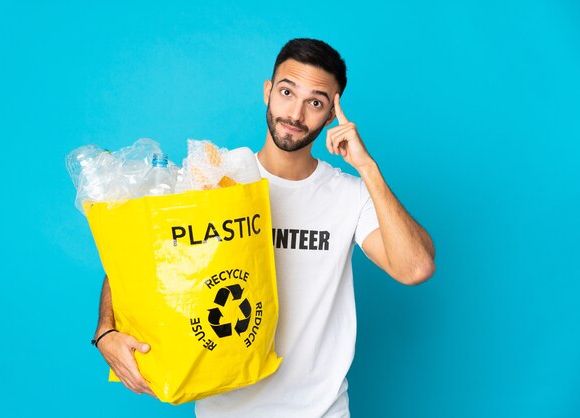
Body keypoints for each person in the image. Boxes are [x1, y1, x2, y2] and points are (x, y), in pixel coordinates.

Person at [92, 38, 436, 417]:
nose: (296, 112)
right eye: (287, 92)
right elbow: (140, 257)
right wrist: (106, 329)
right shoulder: (215, 181)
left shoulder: (349, 194)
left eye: (316, 102)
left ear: (332, 114)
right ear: (268, 92)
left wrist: (367, 168)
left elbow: (414, 268)